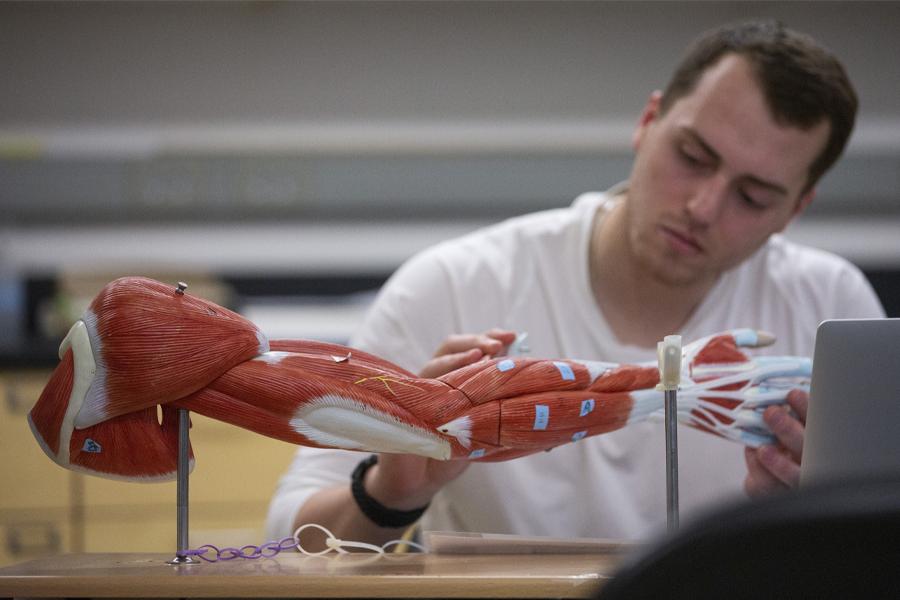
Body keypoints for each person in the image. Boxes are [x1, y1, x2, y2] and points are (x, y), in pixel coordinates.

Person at [266, 20, 885, 547]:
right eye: (692, 157)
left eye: (753, 196)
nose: (703, 205)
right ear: (648, 121)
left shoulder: (832, 311)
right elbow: (284, 536)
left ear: (796, 208)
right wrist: (388, 493)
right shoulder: (452, 287)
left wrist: (819, 523)